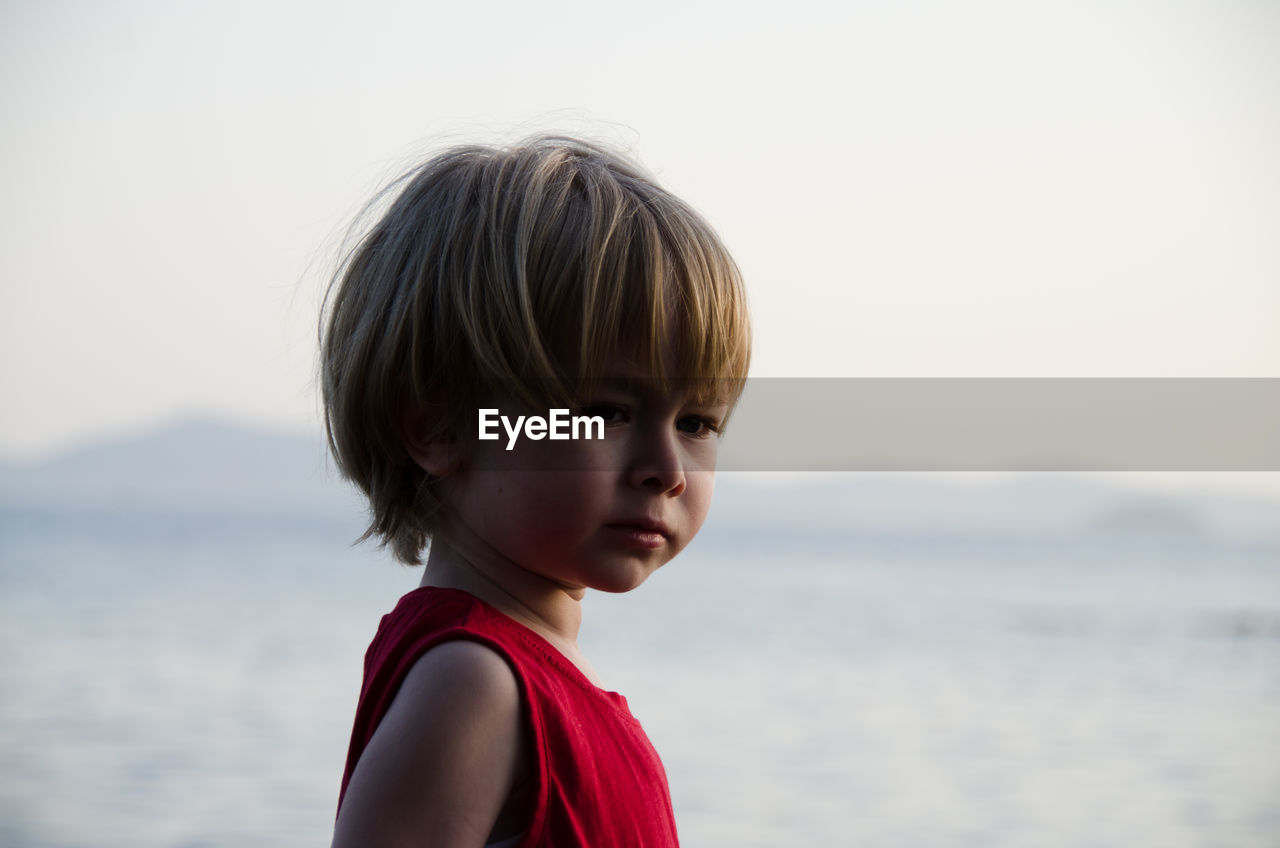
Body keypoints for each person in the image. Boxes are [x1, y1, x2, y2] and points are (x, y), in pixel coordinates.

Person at [321, 134, 751, 847]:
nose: (667, 467)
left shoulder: (527, 677)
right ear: (438, 426)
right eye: (606, 412)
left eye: (697, 421)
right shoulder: (474, 682)